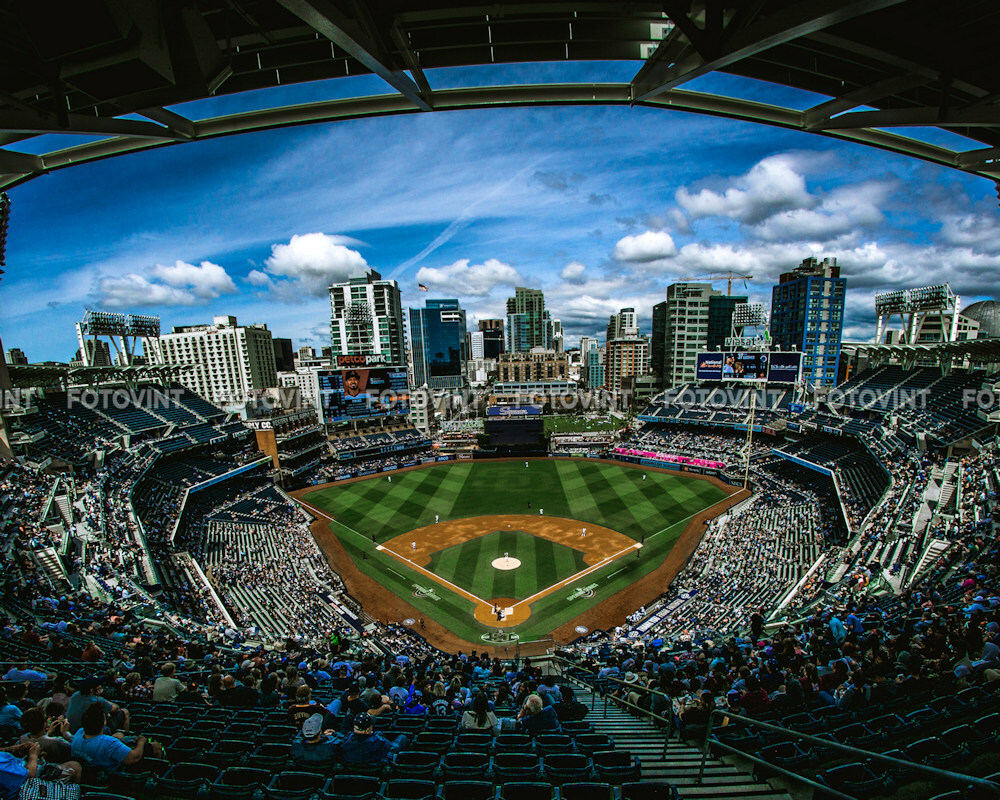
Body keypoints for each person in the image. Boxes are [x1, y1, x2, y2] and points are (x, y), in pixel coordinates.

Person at [70, 705, 158, 775]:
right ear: (104, 722)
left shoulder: (79, 733)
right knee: (156, 747)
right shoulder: (109, 743)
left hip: (90, 773)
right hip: (113, 775)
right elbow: (134, 758)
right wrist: (141, 742)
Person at [0, 741, 81, 799]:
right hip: (24, 789)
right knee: (74, 771)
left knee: (73, 766)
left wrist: (13, 749)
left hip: (22, 769)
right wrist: (33, 755)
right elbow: (30, 774)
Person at [340, 714, 407, 767]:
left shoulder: (346, 740)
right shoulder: (377, 741)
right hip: (373, 767)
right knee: (402, 738)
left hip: (352, 769)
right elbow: (388, 746)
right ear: (368, 729)